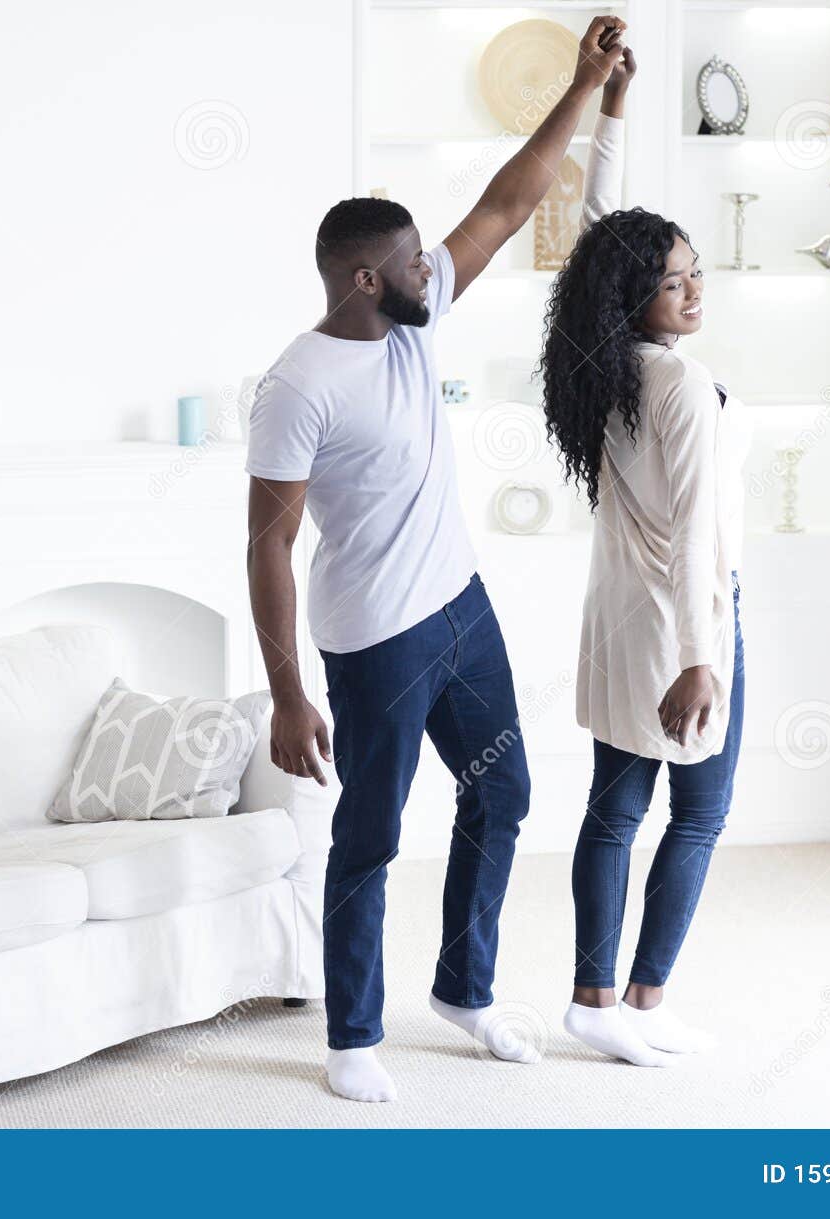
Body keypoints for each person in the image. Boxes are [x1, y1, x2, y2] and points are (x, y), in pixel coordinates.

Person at [244, 16, 629, 1103]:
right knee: (369, 836)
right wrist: (285, 692)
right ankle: (352, 1036)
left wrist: (586, 82)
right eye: (415, 258)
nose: (435, 263)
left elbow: (509, 201)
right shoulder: (299, 386)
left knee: (502, 794)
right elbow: (267, 541)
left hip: (460, 609)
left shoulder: (413, 321)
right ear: (365, 279)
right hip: (373, 642)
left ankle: (464, 987)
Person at [539, 42, 752, 1066]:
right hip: (686, 615)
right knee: (699, 814)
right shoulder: (674, 384)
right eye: (672, 283)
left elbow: (594, 243)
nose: (692, 291)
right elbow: (703, 532)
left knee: (615, 809)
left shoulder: (601, 358)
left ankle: (592, 999)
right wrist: (702, 657)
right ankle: (643, 997)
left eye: (696, 272)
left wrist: (613, 113)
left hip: (619, 609)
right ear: (637, 299)